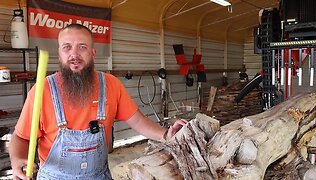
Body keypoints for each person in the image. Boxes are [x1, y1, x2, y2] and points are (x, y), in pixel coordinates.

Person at [9, 24, 187, 180]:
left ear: (93, 53)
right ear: (59, 53)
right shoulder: (41, 91)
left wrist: (166, 135)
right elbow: (20, 137)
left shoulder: (110, 85)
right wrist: (17, 160)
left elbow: (138, 121)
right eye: (67, 47)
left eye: (82, 47)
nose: (74, 54)